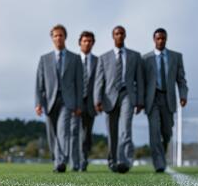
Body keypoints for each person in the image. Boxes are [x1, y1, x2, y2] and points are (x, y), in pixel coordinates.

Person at [94, 26, 144, 173]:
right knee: (112, 131)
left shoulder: (135, 56)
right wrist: (97, 100)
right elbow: (99, 80)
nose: (119, 36)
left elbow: (139, 80)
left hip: (127, 95)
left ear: (125, 35)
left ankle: (125, 161)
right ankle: (113, 160)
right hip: (109, 98)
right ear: (113, 36)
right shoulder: (104, 58)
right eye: (117, 34)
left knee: (125, 129)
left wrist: (140, 100)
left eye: (122, 33)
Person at [35, 24, 83, 173]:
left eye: (60, 35)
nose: (58, 38)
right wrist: (38, 103)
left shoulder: (75, 58)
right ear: (52, 38)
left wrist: (79, 104)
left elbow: (79, 84)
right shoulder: (44, 59)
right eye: (55, 35)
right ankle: (56, 159)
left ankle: (61, 162)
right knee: (52, 134)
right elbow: (39, 83)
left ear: (65, 37)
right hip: (49, 101)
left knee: (63, 131)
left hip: (67, 102)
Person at [143, 28, 188, 172]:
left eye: (163, 38)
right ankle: (159, 164)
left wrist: (183, 95)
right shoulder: (145, 59)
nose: (160, 41)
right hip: (152, 99)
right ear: (154, 39)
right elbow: (141, 81)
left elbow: (181, 79)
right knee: (154, 131)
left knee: (167, 132)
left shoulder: (176, 57)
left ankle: (161, 153)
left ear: (166, 39)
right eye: (158, 38)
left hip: (168, 99)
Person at [78, 31, 99, 171]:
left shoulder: (98, 61)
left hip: (91, 103)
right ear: (80, 43)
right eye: (85, 41)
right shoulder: (73, 60)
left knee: (87, 134)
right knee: (76, 132)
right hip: (75, 102)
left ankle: (84, 158)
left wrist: (100, 101)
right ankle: (78, 160)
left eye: (90, 41)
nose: (87, 43)